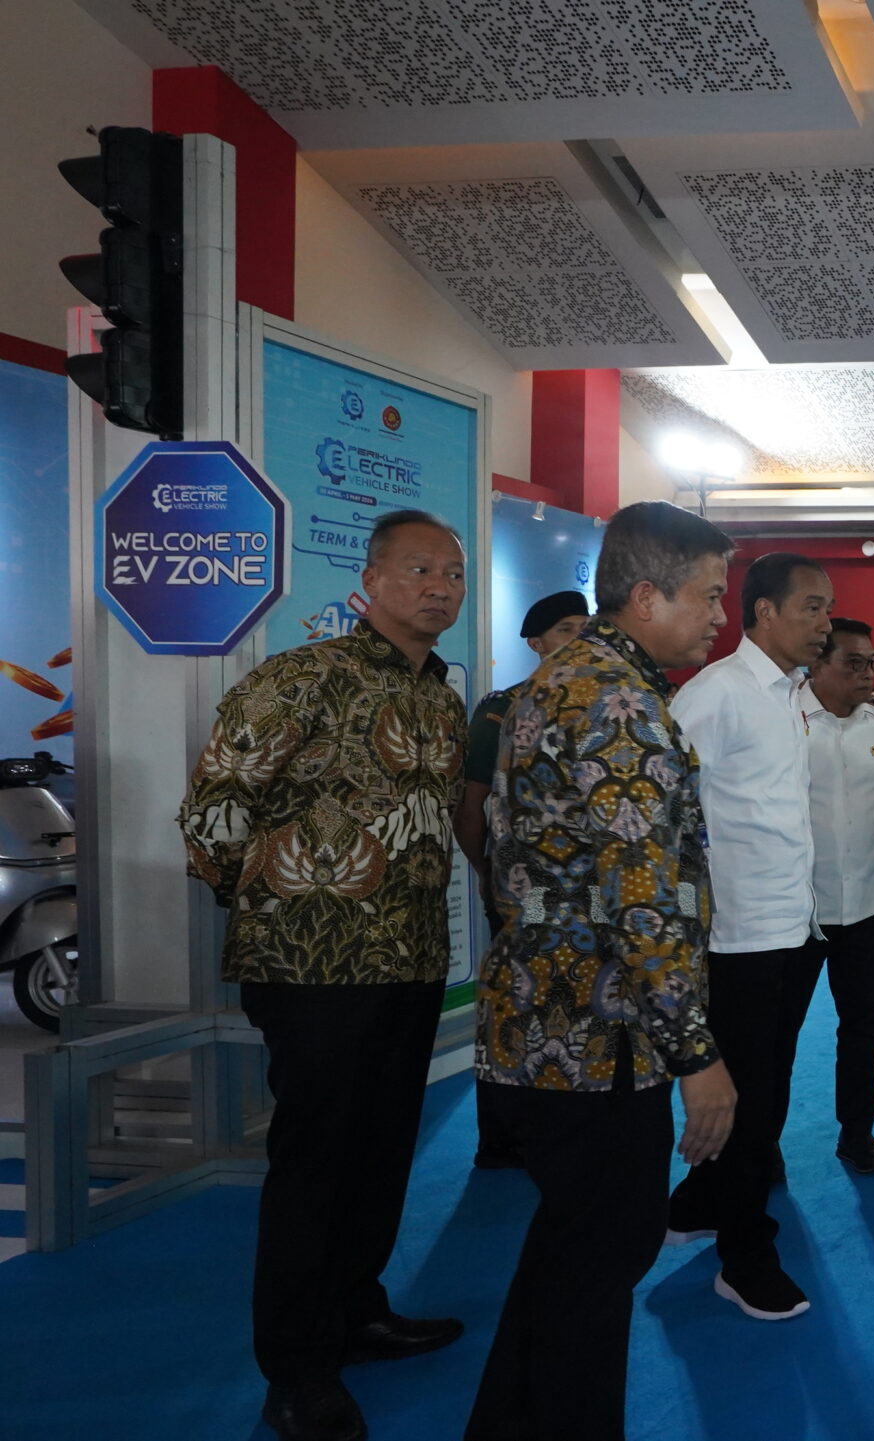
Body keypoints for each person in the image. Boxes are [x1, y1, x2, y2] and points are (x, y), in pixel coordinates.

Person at [180, 510, 472, 1441]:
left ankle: (357, 1313)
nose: (440, 587)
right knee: (314, 1164)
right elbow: (213, 811)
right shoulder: (301, 676)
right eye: (420, 570)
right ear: (372, 579)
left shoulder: (442, 699)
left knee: (381, 1150)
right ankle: (297, 1370)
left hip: (412, 958)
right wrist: (282, 906)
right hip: (312, 968)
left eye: (453, 574)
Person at [469, 501, 738, 1440]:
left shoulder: (564, 677)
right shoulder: (621, 707)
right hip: (598, 1032)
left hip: (548, 1020)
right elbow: (640, 898)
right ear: (647, 595)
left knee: (570, 1250)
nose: (720, 616)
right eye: (710, 595)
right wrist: (697, 1053)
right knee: (599, 1256)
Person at [662, 551, 834, 1322]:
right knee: (750, 1102)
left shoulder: (789, 693)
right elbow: (664, 806)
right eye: (812, 606)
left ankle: (700, 1201)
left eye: (828, 608)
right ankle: (744, 1256)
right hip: (737, 939)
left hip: (790, 925)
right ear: (764, 611)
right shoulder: (718, 693)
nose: (825, 622)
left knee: (767, 1092)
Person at [456, 588, 590, 1172]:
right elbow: (470, 807)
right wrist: (488, 874)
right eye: (566, 630)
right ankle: (502, 1139)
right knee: (514, 1004)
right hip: (522, 893)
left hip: (586, 894)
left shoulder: (602, 705)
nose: (580, 639)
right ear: (536, 643)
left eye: (586, 627)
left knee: (579, 1004)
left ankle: (566, 1130)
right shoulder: (502, 709)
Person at [802, 619, 874, 1174]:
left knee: (863, 1027)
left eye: (872, 663)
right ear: (817, 664)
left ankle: (857, 1133)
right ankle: (762, 1146)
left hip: (865, 904)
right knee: (777, 1034)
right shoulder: (785, 721)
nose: (868, 674)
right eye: (854, 663)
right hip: (796, 907)